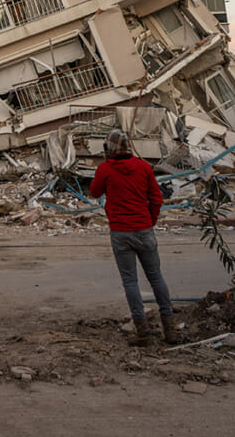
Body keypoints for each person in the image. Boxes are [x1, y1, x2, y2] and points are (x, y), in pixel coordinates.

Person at [89, 128, 178, 345]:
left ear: (109, 148)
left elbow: (94, 192)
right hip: (144, 229)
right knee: (156, 277)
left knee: (130, 281)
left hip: (121, 232)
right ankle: (170, 330)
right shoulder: (144, 167)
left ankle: (143, 332)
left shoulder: (105, 169)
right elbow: (156, 198)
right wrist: (151, 220)